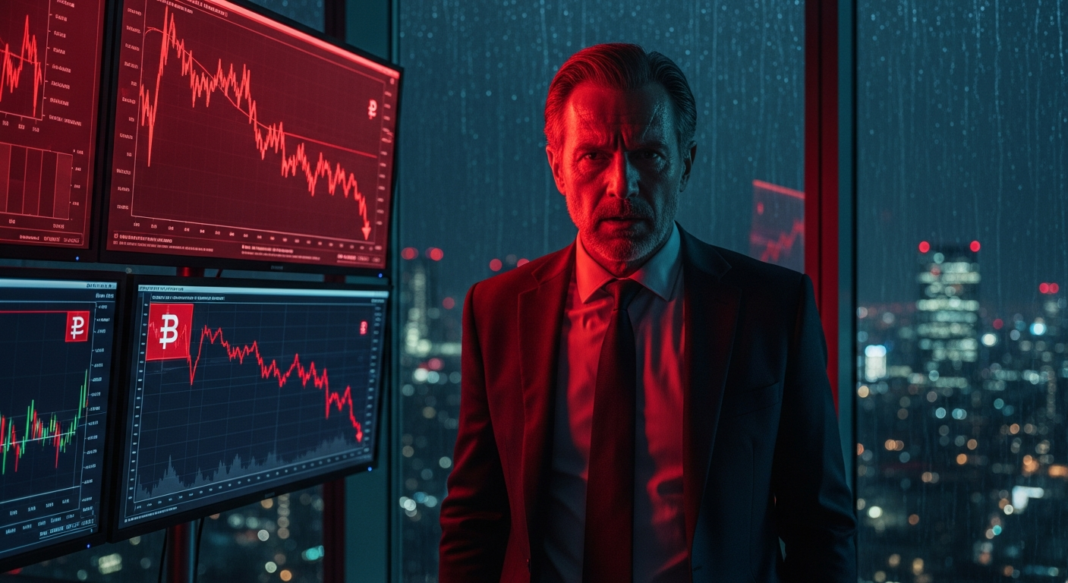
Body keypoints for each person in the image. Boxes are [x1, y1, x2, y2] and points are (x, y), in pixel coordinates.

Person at [438, 43, 856, 583]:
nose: (621, 185)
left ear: (686, 163)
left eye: (648, 155)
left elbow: (819, 526)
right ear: (557, 167)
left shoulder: (772, 309)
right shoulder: (494, 311)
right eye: (592, 156)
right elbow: (475, 519)